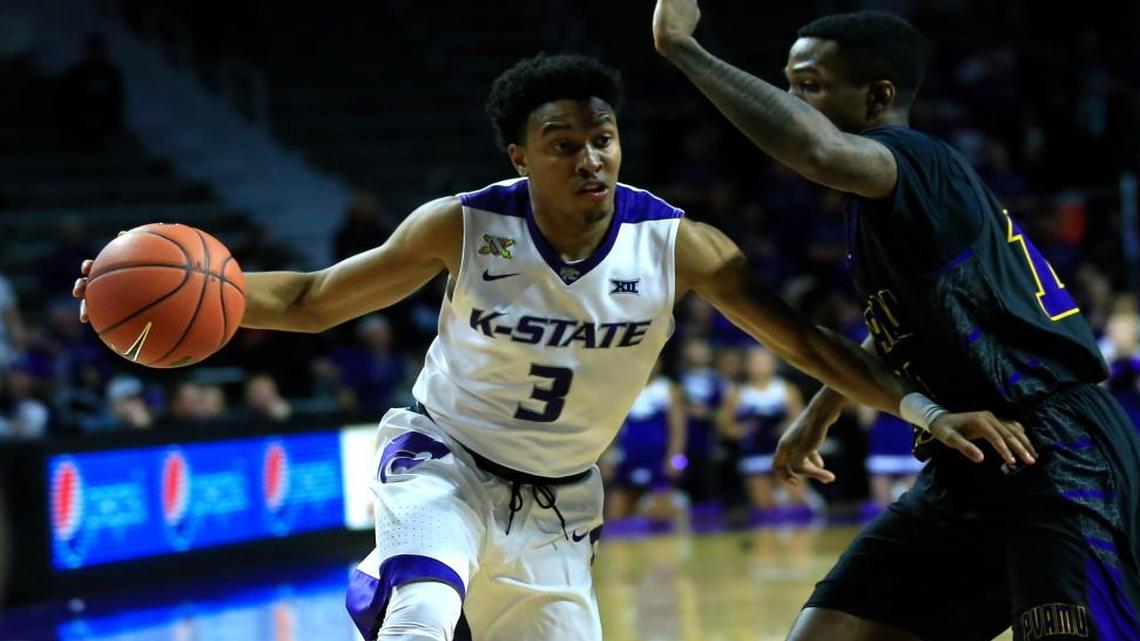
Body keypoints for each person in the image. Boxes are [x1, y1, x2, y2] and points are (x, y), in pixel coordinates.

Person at [74, 53, 1027, 641]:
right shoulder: (459, 226)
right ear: (519, 157)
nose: (590, 157)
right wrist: (177, 297)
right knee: (420, 610)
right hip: (440, 457)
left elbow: (810, 343)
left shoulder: (678, 244)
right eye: (562, 142)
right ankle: (391, 583)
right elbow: (319, 299)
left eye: (602, 138)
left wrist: (928, 409)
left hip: (564, 499)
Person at [653, 3, 1140, 639]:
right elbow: (912, 326)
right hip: (966, 457)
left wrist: (681, 48)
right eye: (790, 84)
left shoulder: (911, 159)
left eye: (810, 86)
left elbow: (816, 150)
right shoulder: (895, 208)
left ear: (877, 96)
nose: (792, 100)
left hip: (1055, 446)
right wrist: (826, 405)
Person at [718, 345, 811, 523]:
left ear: (773, 364)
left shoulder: (787, 390)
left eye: (763, 360)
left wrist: (786, 427)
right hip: (755, 453)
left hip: (785, 452)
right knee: (764, 506)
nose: (759, 365)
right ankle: (767, 547)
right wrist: (743, 430)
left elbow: (802, 421)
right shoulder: (737, 394)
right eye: (755, 361)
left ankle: (800, 547)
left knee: (797, 500)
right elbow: (724, 427)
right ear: (747, 366)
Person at [606, 359, 686, 526]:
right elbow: (612, 427)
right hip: (627, 459)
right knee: (616, 514)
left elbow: (678, 428)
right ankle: (617, 550)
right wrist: (609, 456)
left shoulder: (668, 389)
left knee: (660, 513)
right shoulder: (623, 389)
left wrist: (675, 458)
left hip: (657, 460)